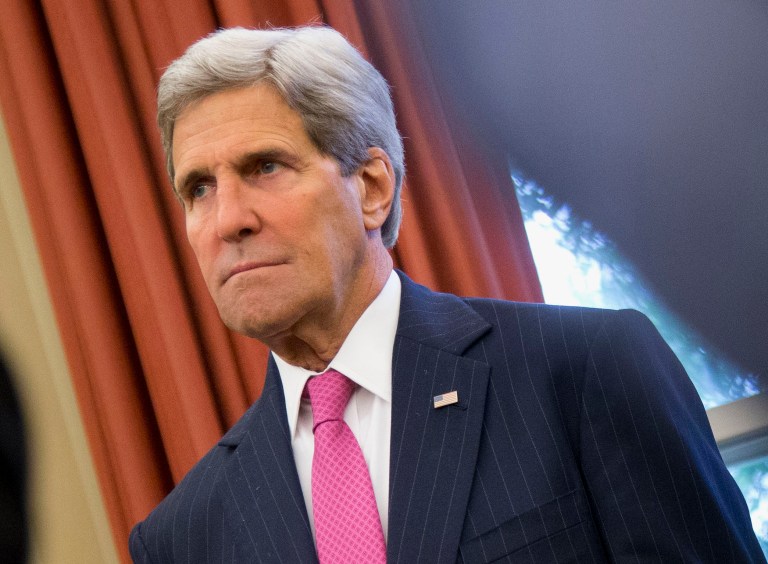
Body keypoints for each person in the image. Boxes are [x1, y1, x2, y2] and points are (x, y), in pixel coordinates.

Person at [129, 26, 764, 563]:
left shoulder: (585, 371)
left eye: (265, 167)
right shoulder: (184, 536)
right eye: (199, 189)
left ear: (373, 187)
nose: (226, 220)